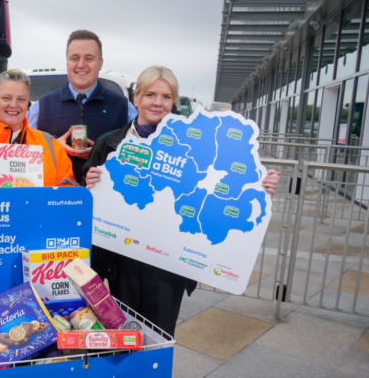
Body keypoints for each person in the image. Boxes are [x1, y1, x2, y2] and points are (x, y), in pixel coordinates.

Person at [83, 65, 280, 337]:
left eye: (166, 97)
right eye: (151, 94)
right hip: (120, 260)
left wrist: (261, 185)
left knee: (159, 340)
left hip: (167, 265)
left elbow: (224, 179)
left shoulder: (194, 148)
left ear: (173, 102)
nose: (158, 102)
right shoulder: (109, 143)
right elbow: (86, 196)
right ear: (136, 97)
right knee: (123, 335)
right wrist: (90, 183)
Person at [27, 29, 138, 184]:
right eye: (75, 58)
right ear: (67, 63)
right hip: (55, 199)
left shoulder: (125, 107)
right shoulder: (41, 107)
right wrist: (53, 147)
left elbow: (139, 154)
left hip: (105, 199)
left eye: (89, 58)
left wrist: (103, 151)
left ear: (100, 63)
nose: (81, 65)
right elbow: (24, 153)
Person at [0, 69, 76, 188]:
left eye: (21, 99)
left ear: (27, 104)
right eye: (6, 98)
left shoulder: (50, 145)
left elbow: (68, 193)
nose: (14, 105)